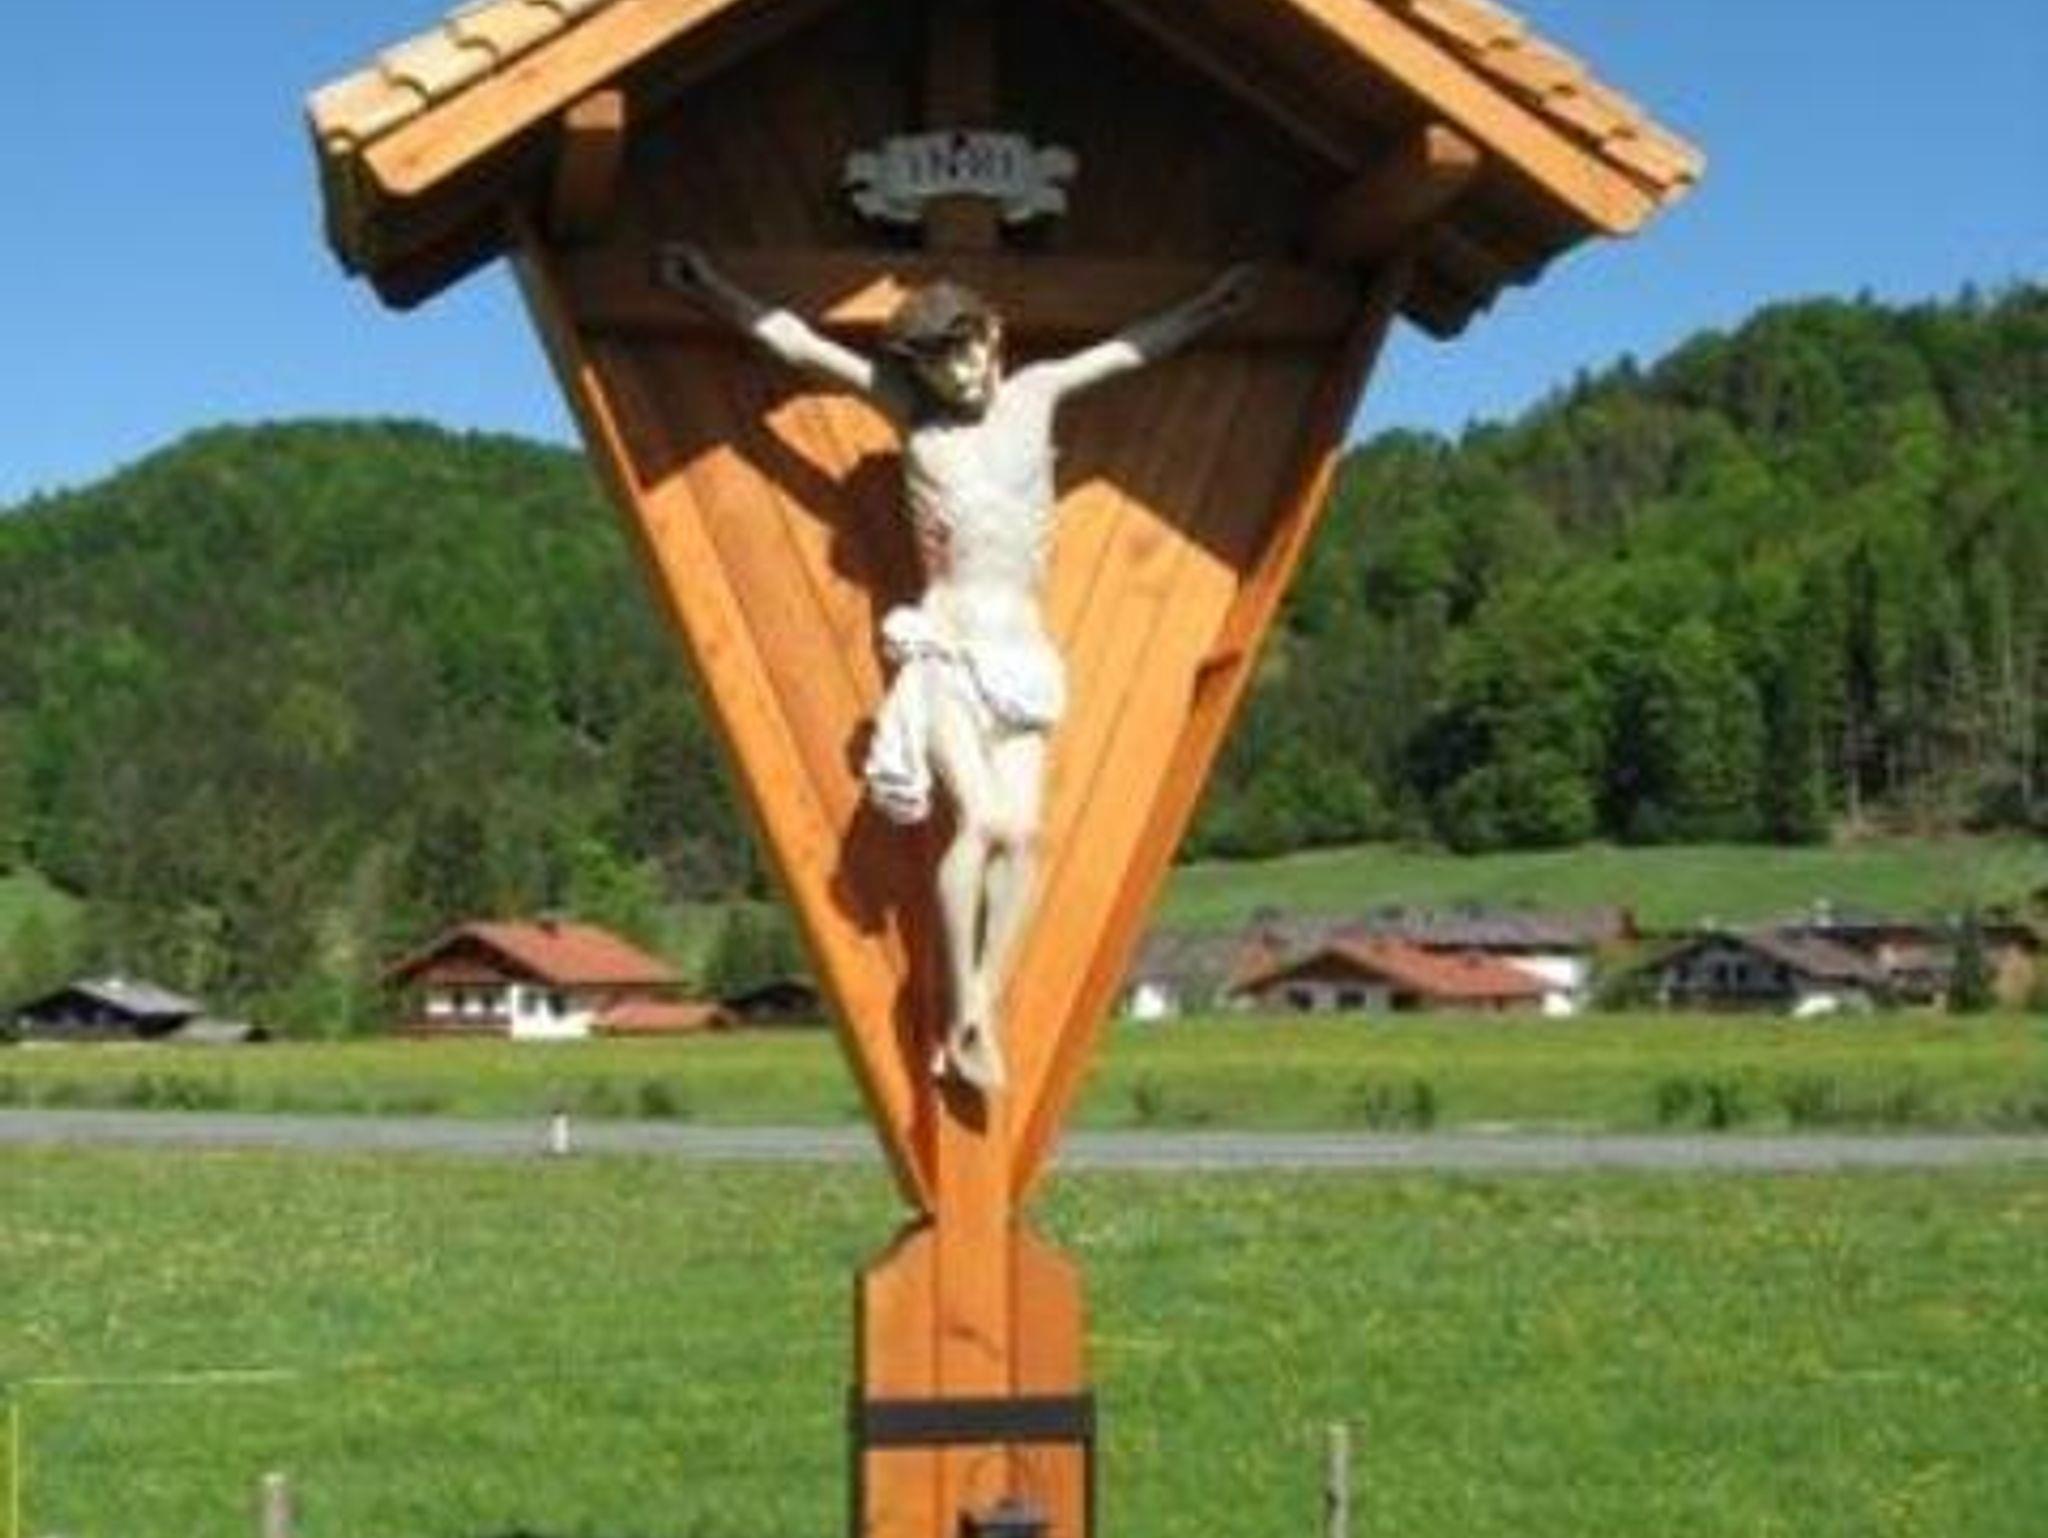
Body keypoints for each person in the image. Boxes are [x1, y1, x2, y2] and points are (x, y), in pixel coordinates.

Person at [662, 244, 1256, 1091]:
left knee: (1024, 836)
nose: (962, 374)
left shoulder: (1035, 395)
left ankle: (980, 1008)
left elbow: (1128, 350)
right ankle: (962, 1004)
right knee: (978, 822)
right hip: (947, 651)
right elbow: (801, 347)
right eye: (940, 364)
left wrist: (1210, 307)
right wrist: (715, 291)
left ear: (993, 337)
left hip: (1024, 658)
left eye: (968, 351)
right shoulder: (914, 417)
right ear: (921, 373)